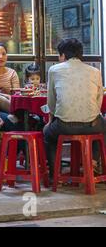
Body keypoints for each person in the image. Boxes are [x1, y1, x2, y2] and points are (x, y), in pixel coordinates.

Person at [44, 38, 105, 180]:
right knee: (103, 127)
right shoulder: (95, 71)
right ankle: (93, 163)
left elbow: (51, 102)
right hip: (92, 126)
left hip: (64, 126)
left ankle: (55, 175)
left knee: (47, 134)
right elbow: (98, 101)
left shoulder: (54, 70)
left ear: (63, 55)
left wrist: (50, 121)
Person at [0, 42, 20, 113]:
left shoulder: (12, 73)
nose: (1, 57)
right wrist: (4, 95)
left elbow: (16, 95)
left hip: (9, 105)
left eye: (4, 54)